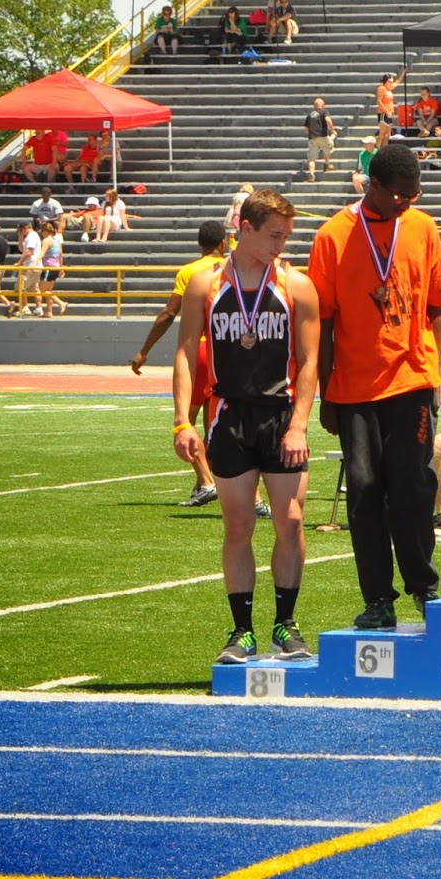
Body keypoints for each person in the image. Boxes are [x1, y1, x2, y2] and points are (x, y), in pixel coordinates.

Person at [171, 189, 318, 663]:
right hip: (229, 415)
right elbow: (184, 353)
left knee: (290, 520)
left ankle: (285, 624)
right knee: (238, 525)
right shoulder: (205, 284)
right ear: (245, 229)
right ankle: (242, 631)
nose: (282, 244)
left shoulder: (297, 285)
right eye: (274, 235)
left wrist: (299, 426)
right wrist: (182, 421)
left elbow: (311, 361)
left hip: (281, 414)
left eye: (286, 235)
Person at [309, 142, 441, 628]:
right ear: (375, 186)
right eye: (401, 195)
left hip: (412, 380)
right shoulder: (333, 236)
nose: (408, 202)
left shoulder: (423, 228)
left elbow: (434, 308)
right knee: (364, 491)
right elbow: (323, 322)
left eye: (415, 194)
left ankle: (424, 587)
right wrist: (326, 392)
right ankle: (378, 599)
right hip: (354, 388)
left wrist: (434, 375)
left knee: (412, 487)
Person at [132, 221, 231, 504]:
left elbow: (168, 313)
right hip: (225, 351)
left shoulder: (190, 271)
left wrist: (144, 351)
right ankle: (215, 482)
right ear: (222, 244)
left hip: (198, 351)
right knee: (217, 424)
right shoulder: (231, 269)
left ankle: (206, 481)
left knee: (186, 421)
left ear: (200, 244)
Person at [35, 220, 67, 316]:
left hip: (48, 267)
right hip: (56, 267)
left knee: (43, 290)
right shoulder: (57, 241)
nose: (41, 233)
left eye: (42, 231)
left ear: (45, 231)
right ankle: (49, 311)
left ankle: (61, 303)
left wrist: (35, 262)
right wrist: (61, 268)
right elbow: (60, 256)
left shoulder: (46, 241)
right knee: (49, 290)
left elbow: (42, 253)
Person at [14, 221, 43, 316]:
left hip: (30, 266)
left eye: (21, 230)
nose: (21, 232)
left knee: (20, 287)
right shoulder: (31, 237)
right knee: (35, 288)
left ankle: (25, 307)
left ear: (26, 227)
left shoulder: (31, 237)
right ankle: (39, 308)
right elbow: (21, 249)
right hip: (35, 266)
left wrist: (19, 262)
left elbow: (28, 252)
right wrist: (20, 236)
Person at [303, 97, 336, 182]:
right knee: (328, 148)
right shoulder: (324, 111)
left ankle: (311, 175)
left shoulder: (309, 115)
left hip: (312, 138)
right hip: (322, 136)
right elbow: (328, 120)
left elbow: (306, 129)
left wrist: (311, 134)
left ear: (314, 106)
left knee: (312, 158)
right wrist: (332, 130)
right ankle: (326, 164)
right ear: (323, 105)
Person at [375, 73, 397, 147]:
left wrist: (402, 73)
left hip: (389, 113)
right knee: (382, 134)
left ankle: (384, 150)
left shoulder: (389, 89)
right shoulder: (382, 88)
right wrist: (386, 111)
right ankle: (377, 150)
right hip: (383, 113)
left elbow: (397, 83)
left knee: (387, 134)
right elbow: (379, 101)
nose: (391, 83)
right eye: (390, 81)